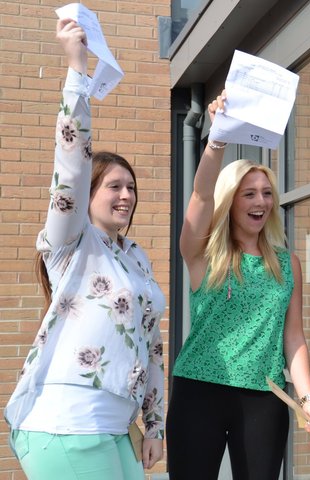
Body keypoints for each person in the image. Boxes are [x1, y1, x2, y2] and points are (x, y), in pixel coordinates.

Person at [4, 19, 166, 479]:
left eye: (132, 188)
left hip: (118, 431)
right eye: (114, 186)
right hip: (66, 425)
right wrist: (77, 70)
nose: (127, 196)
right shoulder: (70, 242)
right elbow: (70, 168)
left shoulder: (134, 256)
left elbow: (152, 344)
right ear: (87, 196)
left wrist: (153, 425)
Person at [165, 91, 310, 479]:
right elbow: (201, 195)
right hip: (199, 389)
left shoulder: (287, 265)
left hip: (264, 396)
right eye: (249, 193)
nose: (262, 201)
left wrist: (307, 398)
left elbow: (293, 338)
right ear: (231, 201)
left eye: (267, 193)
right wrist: (216, 141)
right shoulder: (204, 254)